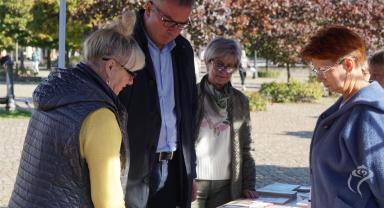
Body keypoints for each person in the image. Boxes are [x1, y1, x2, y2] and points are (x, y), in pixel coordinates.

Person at [8, 11, 145, 207]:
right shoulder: (100, 117)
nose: (132, 82)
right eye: (131, 73)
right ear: (111, 67)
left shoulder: (55, 94)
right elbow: (108, 201)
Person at [117, 0, 198, 207]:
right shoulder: (122, 44)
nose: (175, 30)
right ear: (149, 8)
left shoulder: (183, 50)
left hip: (174, 166)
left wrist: (191, 172)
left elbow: (189, 112)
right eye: (168, 21)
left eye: (182, 24)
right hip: (131, 171)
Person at [301, 25, 384, 208]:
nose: (319, 78)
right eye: (316, 70)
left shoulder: (369, 115)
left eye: (323, 69)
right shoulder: (345, 106)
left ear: (348, 65)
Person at [192, 37, 257, 208]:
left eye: (230, 66)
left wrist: (248, 184)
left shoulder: (240, 100)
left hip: (227, 183)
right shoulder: (191, 95)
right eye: (219, 64)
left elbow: (247, 146)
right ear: (207, 61)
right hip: (194, 180)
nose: (224, 71)